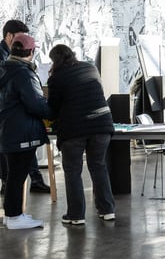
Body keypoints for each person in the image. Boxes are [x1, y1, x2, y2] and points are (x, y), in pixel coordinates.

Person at [0, 33, 50, 230]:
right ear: (31, 52)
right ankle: (14, 217)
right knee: (17, 176)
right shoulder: (23, 74)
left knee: (13, 175)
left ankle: (11, 214)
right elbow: (36, 104)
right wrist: (53, 112)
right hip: (22, 133)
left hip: (3, 131)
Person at [46, 44, 115, 225]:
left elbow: (52, 109)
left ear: (55, 60)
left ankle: (76, 215)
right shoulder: (90, 68)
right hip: (102, 124)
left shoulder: (56, 78)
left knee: (73, 171)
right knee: (98, 166)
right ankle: (107, 210)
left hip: (74, 128)